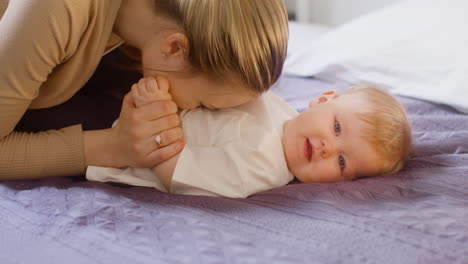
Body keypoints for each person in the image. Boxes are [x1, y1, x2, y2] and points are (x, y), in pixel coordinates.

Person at [0, 0, 289, 180]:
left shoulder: (145, 37)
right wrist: (112, 147)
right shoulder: (58, 8)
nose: (193, 114)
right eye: (203, 105)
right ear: (174, 48)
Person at [87, 77, 413, 198]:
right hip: (139, 97)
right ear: (324, 98)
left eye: (342, 162)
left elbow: (173, 171)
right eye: (337, 128)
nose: (329, 147)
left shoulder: (260, 169)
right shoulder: (278, 105)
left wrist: (154, 109)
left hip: (116, 144)